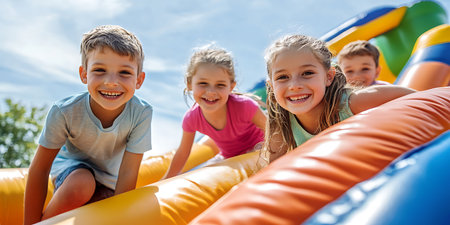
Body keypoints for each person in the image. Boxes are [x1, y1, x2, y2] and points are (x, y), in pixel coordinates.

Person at [24, 25, 152, 224]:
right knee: (81, 184)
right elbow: (39, 169)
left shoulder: (141, 113)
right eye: (99, 70)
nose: (111, 82)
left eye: (124, 73)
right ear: (84, 74)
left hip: (108, 180)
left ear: (139, 80)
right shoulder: (65, 111)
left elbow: (128, 173)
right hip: (73, 173)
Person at [261, 34, 414, 164]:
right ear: (272, 86)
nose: (295, 85)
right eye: (282, 77)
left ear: (328, 77)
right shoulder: (281, 122)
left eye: (307, 73)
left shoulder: (353, 103)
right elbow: (273, 170)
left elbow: (421, 98)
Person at [162, 46, 266, 179]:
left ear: (231, 87)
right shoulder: (192, 118)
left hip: (258, 148)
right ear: (189, 84)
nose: (211, 92)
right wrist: (165, 180)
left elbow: (274, 133)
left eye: (220, 85)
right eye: (203, 83)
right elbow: (183, 153)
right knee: (202, 177)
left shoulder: (244, 106)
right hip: (229, 157)